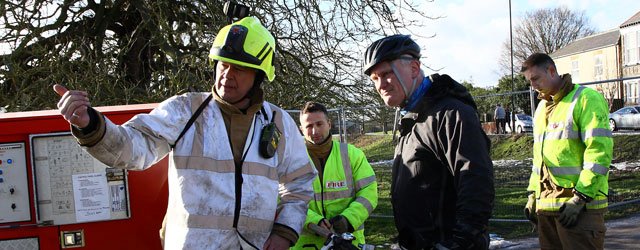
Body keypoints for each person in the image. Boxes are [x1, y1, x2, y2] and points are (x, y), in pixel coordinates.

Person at [53, 16, 317, 250]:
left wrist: (285, 232)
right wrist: (90, 125)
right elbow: (131, 149)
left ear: (259, 76)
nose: (227, 74)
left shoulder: (277, 121)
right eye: (222, 64)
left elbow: (300, 183)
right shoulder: (185, 111)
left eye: (239, 67)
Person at [363, 34, 495, 250]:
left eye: (386, 74)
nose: (381, 85)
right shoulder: (410, 118)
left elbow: (476, 181)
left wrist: (460, 242)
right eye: (375, 79)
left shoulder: (450, 114)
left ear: (414, 68)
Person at [521, 53, 612, 249]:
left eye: (535, 78)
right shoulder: (542, 108)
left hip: (580, 210)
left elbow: (599, 153)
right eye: (529, 81)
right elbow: (539, 159)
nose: (533, 86)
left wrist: (580, 199)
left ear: (552, 71)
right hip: (546, 209)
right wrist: (533, 194)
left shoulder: (586, 99)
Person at [293, 101, 378, 249]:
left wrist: (348, 219)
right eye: (309, 126)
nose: (314, 131)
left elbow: (369, 193)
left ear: (329, 124)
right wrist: (314, 221)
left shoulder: (352, 155)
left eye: (319, 124)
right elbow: (282, 199)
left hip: (348, 244)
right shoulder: (291, 159)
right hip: (305, 245)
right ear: (301, 129)